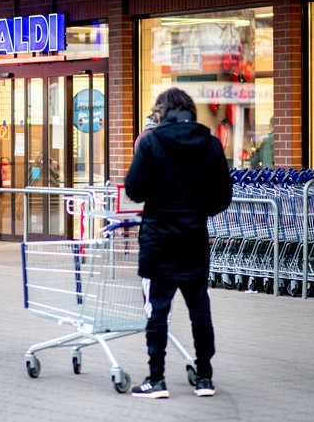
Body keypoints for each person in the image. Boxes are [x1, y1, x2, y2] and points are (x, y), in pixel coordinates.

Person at [124, 88, 232, 398]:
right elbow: (223, 195)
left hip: (159, 238)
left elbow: (134, 189)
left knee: (158, 310)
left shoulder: (151, 142)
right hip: (194, 237)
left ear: (162, 112)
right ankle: (204, 378)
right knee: (199, 308)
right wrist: (197, 212)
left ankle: (156, 379)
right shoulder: (211, 144)